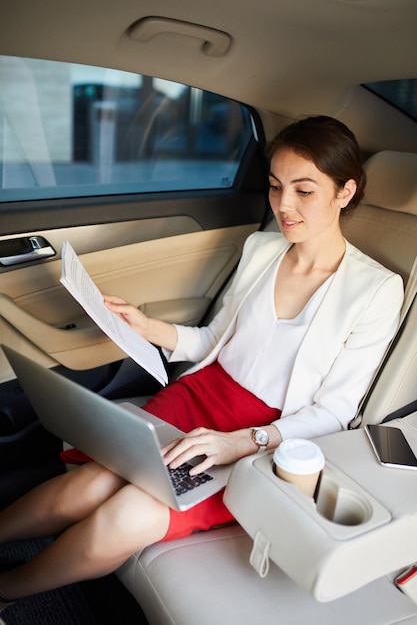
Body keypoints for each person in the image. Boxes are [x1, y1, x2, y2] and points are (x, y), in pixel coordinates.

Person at [0, 115, 404, 613]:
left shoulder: (377, 290)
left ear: (345, 192)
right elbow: (216, 338)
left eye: (304, 190)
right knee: (85, 485)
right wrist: (146, 327)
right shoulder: (263, 248)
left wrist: (240, 443)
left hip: (264, 438)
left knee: (126, 516)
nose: (283, 206)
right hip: (200, 395)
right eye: (276, 187)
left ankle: (8, 593)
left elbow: (338, 410)